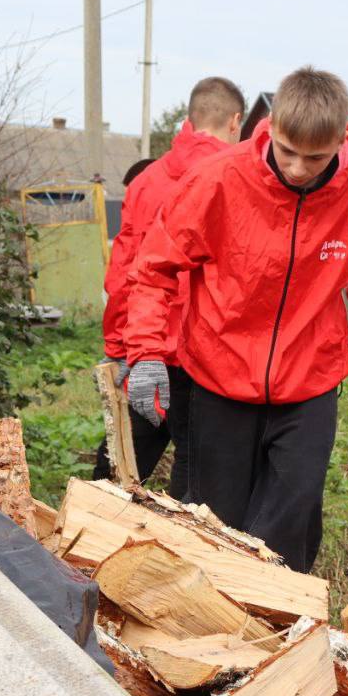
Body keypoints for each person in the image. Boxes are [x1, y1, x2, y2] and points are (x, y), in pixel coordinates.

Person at [123, 66, 348, 573]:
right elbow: (155, 268)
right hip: (219, 374)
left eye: (314, 158)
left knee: (290, 518)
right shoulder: (219, 179)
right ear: (269, 128)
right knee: (214, 521)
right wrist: (145, 354)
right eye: (287, 150)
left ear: (343, 140)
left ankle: (279, 625)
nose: (295, 168)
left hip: (309, 382)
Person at [94, 77, 247, 499]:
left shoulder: (147, 180)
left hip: (147, 346)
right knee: (196, 471)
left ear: (189, 118)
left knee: (123, 460)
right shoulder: (240, 180)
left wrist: (118, 347)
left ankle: (83, 544)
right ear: (235, 121)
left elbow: (125, 268)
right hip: (207, 356)